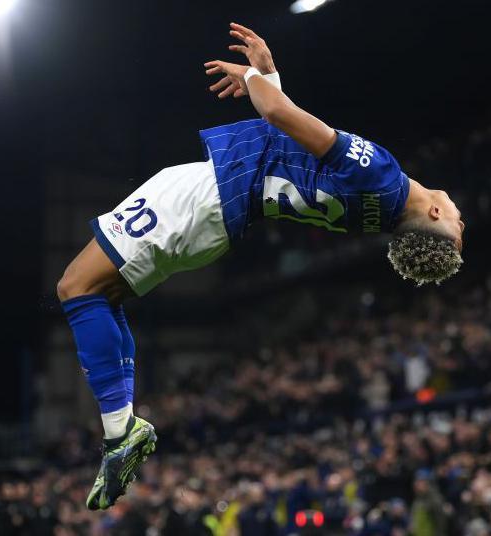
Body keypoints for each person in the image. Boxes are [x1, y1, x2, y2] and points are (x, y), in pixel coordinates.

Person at [55, 22, 466, 510]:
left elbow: (276, 115)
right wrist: (266, 75)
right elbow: (297, 150)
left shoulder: (382, 176)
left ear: (436, 214)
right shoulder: (377, 213)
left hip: (208, 196)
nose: (460, 211)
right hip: (219, 219)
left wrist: (258, 82)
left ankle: (119, 429)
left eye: (460, 221)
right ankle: (121, 425)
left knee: (75, 286)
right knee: (104, 294)